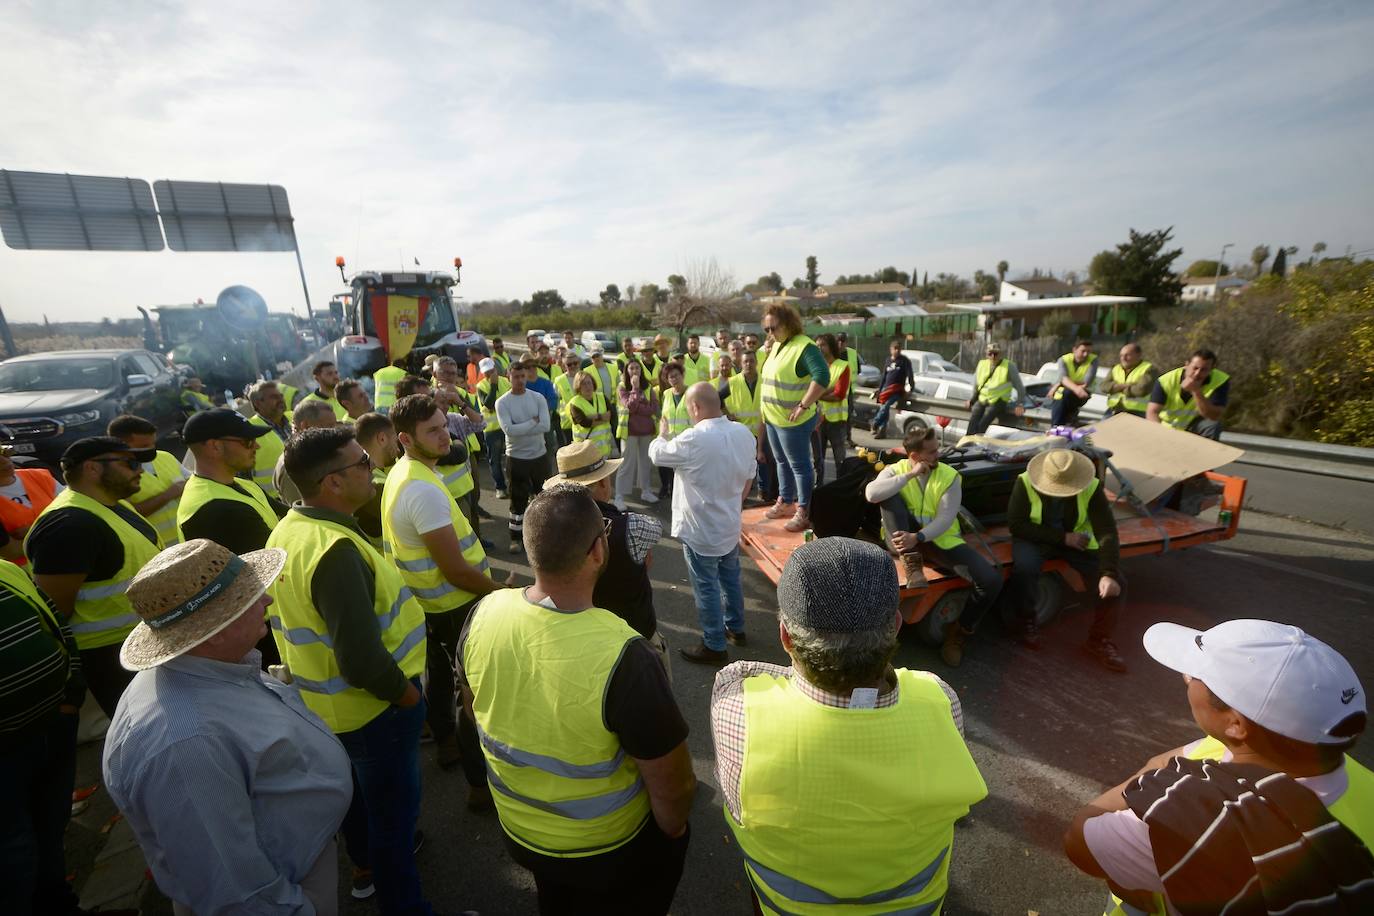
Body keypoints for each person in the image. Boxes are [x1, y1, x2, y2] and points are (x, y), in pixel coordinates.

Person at [712, 538, 987, 916]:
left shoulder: (738, 706)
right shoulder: (938, 699)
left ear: (786, 637)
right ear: (895, 625)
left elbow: (744, 675)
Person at [458, 484, 695, 915]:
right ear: (599, 553)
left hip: (520, 831)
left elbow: (474, 708)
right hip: (606, 846)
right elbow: (673, 789)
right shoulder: (626, 654)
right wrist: (674, 830)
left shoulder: (483, 614)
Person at [101, 539, 353, 916]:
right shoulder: (186, 742)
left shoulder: (208, 670)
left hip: (294, 865)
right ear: (215, 630)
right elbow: (233, 891)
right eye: (250, 596)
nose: (267, 601)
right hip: (285, 894)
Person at [1064, 619, 1372, 916]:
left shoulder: (1184, 819)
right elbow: (1163, 763)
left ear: (1236, 724)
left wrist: (1161, 783)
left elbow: (1080, 840)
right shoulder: (1344, 773)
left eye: (1198, 675)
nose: (1186, 677)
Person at [267, 428, 450, 915]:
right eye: (363, 462)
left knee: (362, 808)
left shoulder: (290, 529)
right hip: (376, 712)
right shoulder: (335, 551)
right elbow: (361, 659)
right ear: (332, 483)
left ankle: (365, 867)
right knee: (394, 824)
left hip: (328, 710)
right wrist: (409, 699)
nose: (373, 466)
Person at [382, 396, 497, 784]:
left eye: (443, 425)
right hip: (454, 604)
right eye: (432, 430)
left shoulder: (407, 473)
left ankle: (448, 741)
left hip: (429, 602)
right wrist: (499, 591)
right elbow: (456, 571)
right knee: (474, 695)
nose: (444, 435)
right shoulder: (422, 490)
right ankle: (480, 782)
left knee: (443, 677)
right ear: (406, 439)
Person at [25, 436, 162, 717]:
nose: (140, 471)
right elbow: (55, 611)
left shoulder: (113, 505)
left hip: (142, 645)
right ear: (92, 469)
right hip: (111, 660)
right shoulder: (70, 526)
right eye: (131, 463)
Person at [0, 556, 94, 916]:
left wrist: (71, 697)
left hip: (52, 728)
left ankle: (62, 905)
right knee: (13, 854)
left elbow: (57, 627)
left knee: (51, 832)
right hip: (5, 755)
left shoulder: (7, 570)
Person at [864, 426, 1006, 667]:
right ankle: (912, 564)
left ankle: (959, 633)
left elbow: (946, 519)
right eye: (930, 452)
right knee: (888, 494)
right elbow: (871, 494)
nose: (937, 454)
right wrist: (909, 476)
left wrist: (917, 537)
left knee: (991, 580)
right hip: (902, 542)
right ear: (914, 457)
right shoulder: (896, 470)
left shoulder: (949, 476)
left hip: (938, 541)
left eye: (936, 449)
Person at [649, 383, 757, 666]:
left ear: (695, 407)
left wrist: (661, 433)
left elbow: (657, 454)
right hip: (729, 524)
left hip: (701, 529)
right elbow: (749, 477)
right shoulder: (744, 433)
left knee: (707, 586)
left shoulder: (693, 439)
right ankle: (736, 628)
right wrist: (732, 502)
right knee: (730, 578)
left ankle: (714, 644)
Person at [544, 441, 669, 674]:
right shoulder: (632, 525)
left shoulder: (549, 525)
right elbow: (656, 529)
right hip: (634, 636)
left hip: (580, 637)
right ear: (602, 483)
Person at [1008, 449, 1127, 672]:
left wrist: (1108, 573)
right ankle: (1026, 621)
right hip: (1036, 537)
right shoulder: (1024, 482)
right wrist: (1063, 538)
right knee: (1025, 569)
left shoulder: (1091, 487)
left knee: (1119, 582)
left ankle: (1098, 641)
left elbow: (1107, 530)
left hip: (1075, 539)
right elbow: (1017, 524)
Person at [760, 303, 830, 532]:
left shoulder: (804, 346)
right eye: (766, 329)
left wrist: (804, 405)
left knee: (799, 465)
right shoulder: (779, 345)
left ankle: (803, 510)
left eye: (774, 327)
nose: (770, 333)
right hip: (774, 417)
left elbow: (822, 376)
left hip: (792, 420)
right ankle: (786, 500)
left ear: (788, 323)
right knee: (781, 461)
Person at [178, 409, 285, 553]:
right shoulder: (217, 510)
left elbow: (289, 514)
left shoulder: (241, 483)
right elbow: (278, 555)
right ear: (215, 446)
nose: (256, 446)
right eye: (247, 441)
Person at [496, 361, 551, 554]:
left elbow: (545, 426)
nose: (520, 380)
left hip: (539, 456)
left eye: (522, 376)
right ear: (508, 377)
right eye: (515, 377)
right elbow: (509, 430)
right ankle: (515, 539)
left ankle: (544, 535)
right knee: (517, 501)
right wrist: (532, 422)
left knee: (544, 497)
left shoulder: (537, 398)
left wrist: (523, 427)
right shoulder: (502, 402)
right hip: (516, 458)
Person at [108, 415, 186, 548]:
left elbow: (192, 483)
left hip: (186, 537)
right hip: (156, 547)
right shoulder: (112, 473)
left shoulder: (165, 457)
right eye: (144, 446)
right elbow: (129, 514)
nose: (151, 448)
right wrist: (168, 494)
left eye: (153, 443)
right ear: (120, 443)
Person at [723, 348, 774, 502]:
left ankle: (763, 491)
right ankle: (740, 495)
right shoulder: (733, 382)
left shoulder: (766, 380)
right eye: (745, 361)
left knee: (764, 460)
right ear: (740, 363)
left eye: (752, 361)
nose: (749, 364)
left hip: (763, 429)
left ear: (756, 362)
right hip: (742, 431)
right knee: (742, 464)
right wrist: (727, 413)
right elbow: (717, 398)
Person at [1148, 348, 1229, 440]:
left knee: (1212, 426)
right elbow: (1152, 412)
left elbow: (1214, 416)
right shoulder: (1166, 380)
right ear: (1186, 365)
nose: (1197, 373)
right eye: (1195, 368)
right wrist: (1161, 434)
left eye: (1204, 370)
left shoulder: (1220, 381)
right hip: (1167, 427)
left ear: (1211, 370)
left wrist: (1196, 391)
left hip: (1195, 426)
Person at [0, 443, 61, 564]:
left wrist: (32, 530)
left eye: (3, 452)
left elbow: (76, 513)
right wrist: (58, 528)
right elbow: (11, 552)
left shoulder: (40, 476)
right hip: (23, 575)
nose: (3, 460)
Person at [273, 398, 338, 505]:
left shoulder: (320, 452)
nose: (334, 432)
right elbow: (304, 509)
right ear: (305, 426)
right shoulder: (292, 465)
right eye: (329, 427)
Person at [615, 358, 659, 509]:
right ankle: (619, 495)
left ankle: (645, 490)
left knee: (645, 462)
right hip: (630, 431)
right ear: (626, 371)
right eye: (631, 368)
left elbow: (653, 408)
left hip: (646, 430)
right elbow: (630, 406)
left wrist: (641, 407)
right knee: (626, 463)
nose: (635, 371)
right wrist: (635, 389)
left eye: (637, 368)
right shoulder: (622, 387)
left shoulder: (648, 388)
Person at [354, 412, 400, 547]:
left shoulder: (381, 471)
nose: (398, 448)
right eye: (394, 438)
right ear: (382, 439)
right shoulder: (374, 486)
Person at [966, 341, 1027, 435]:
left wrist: (1020, 404)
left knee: (982, 425)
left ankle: (976, 444)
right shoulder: (982, 364)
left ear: (1000, 354)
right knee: (972, 423)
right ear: (986, 354)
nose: (993, 356)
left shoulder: (1009, 366)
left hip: (998, 401)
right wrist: (971, 400)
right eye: (990, 354)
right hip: (983, 399)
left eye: (996, 354)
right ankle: (967, 444)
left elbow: (1020, 388)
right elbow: (976, 385)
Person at [812, 333, 850, 486]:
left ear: (831, 347)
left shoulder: (842, 366)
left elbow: (839, 395)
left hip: (836, 421)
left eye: (822, 345)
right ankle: (817, 489)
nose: (819, 348)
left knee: (839, 459)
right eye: (817, 345)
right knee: (817, 458)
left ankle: (841, 487)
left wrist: (816, 395)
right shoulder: (815, 367)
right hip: (818, 421)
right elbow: (809, 389)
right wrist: (826, 390)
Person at [245, 379, 291, 500]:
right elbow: (243, 476)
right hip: (274, 500)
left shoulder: (294, 418)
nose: (281, 399)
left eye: (281, 396)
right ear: (257, 404)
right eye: (274, 397)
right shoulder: (249, 429)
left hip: (306, 492)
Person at [652, 362, 690, 500]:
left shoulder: (690, 393)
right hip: (668, 438)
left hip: (685, 440)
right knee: (664, 465)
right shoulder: (667, 393)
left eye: (676, 375)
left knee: (681, 474)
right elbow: (664, 414)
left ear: (682, 375)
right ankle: (665, 487)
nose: (674, 379)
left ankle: (678, 495)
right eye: (670, 377)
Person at [477, 356, 512, 499]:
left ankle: (515, 485)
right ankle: (500, 487)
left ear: (495, 369)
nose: (489, 374)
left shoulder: (506, 382)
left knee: (513, 458)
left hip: (508, 426)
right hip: (492, 430)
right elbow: (489, 404)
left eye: (491, 371)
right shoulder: (481, 386)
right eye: (486, 372)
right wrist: (493, 385)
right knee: (495, 460)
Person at [520, 357, 561, 470]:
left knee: (549, 446)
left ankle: (547, 471)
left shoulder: (546, 383)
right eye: (528, 367)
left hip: (545, 423)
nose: (531, 369)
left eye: (534, 366)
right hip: (528, 425)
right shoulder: (521, 386)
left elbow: (553, 401)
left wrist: (540, 411)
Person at [1048, 338, 1098, 427]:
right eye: (1083, 351)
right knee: (1061, 396)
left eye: (1089, 351)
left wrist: (1061, 383)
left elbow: (1086, 382)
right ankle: (1057, 426)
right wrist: (1074, 386)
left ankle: (1058, 425)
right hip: (1067, 393)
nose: (1086, 354)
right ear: (1074, 350)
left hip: (1083, 394)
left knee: (1066, 393)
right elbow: (1063, 377)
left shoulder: (1093, 360)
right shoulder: (1063, 360)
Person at [870, 338, 914, 437]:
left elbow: (910, 375)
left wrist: (911, 389)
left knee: (885, 406)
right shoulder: (888, 360)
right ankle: (882, 432)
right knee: (884, 409)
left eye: (899, 348)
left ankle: (875, 423)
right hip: (886, 390)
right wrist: (880, 389)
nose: (897, 350)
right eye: (895, 348)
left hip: (897, 390)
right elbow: (884, 376)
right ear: (891, 349)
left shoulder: (904, 361)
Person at [1101, 342, 1156, 417]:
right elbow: (1103, 386)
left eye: (1127, 355)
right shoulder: (1116, 368)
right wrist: (1126, 385)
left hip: (1136, 413)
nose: (1123, 358)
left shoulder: (1149, 369)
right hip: (1113, 410)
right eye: (1121, 355)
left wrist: (1115, 388)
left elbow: (1141, 390)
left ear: (1138, 355)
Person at [569, 368, 614, 459]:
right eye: (583, 384)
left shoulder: (601, 396)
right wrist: (603, 418)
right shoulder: (574, 403)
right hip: (585, 451)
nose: (587, 386)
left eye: (589, 383)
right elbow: (585, 423)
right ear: (578, 386)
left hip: (604, 449)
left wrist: (595, 416)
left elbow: (612, 415)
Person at [585, 346, 621, 452]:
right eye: (594, 357)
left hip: (613, 404)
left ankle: (619, 451)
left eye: (598, 356)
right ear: (591, 358)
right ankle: (601, 452)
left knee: (616, 429)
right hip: (598, 406)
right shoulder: (587, 371)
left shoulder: (613, 368)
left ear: (602, 355)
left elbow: (619, 385)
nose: (596, 358)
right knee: (601, 431)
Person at [552, 352, 582, 448]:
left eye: (575, 363)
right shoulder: (559, 380)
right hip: (567, 423)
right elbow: (555, 400)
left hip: (584, 420)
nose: (573, 366)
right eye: (569, 364)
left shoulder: (585, 377)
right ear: (564, 366)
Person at [836, 331, 860, 445]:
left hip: (848, 390)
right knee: (833, 415)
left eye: (843, 341)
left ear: (846, 342)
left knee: (848, 415)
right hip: (833, 389)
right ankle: (833, 438)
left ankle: (847, 438)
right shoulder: (831, 353)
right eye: (838, 341)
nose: (840, 343)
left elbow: (857, 370)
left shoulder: (852, 353)